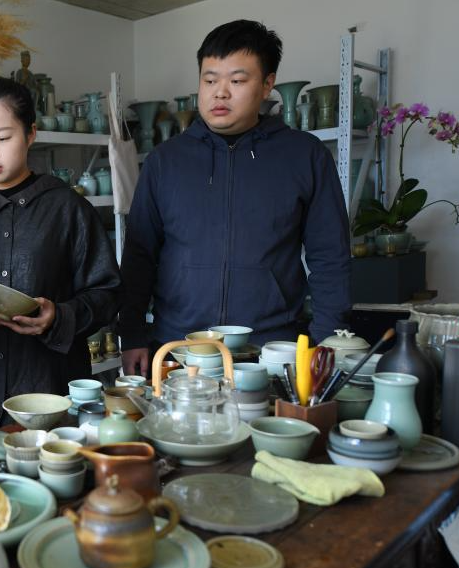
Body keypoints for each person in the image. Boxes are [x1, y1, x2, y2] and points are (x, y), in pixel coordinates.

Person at [119, 19, 351, 377]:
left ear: (268, 84)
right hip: (179, 349)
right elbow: (139, 255)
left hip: (271, 351)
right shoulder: (165, 161)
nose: (220, 93)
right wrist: (132, 333)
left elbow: (331, 257)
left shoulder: (305, 156)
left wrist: (326, 341)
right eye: (210, 80)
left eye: (237, 81)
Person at [0, 77, 120, 422]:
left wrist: (58, 316)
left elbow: (108, 293)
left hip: (51, 389)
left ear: (30, 134)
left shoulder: (68, 210)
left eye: (2, 138)